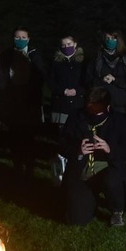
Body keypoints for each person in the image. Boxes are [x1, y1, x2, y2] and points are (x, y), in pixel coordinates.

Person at [59, 87, 126, 227]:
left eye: (98, 112)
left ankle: (117, 211)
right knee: (76, 219)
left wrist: (110, 149)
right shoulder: (76, 117)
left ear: (108, 107)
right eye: (91, 110)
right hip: (83, 172)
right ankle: (90, 198)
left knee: (112, 179)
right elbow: (62, 144)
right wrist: (78, 150)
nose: (94, 115)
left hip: (107, 169)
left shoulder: (117, 121)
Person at [0, 26, 49, 177]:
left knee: (29, 137)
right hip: (12, 102)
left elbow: (41, 76)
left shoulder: (34, 55)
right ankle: (18, 167)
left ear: (29, 39)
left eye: (23, 37)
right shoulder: (6, 55)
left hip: (29, 103)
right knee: (15, 137)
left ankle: (29, 169)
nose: (20, 40)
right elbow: (0, 76)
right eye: (17, 37)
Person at [48, 34, 86, 183]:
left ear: (75, 44)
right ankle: (62, 168)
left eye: (69, 44)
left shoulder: (82, 62)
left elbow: (87, 81)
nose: (66, 47)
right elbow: (51, 81)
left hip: (77, 105)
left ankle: (77, 167)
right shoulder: (56, 62)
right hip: (61, 105)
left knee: (77, 137)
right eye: (63, 45)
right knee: (62, 137)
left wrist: (78, 91)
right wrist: (62, 90)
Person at [84, 28, 126, 115]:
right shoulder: (96, 58)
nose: (110, 41)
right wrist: (102, 80)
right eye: (108, 38)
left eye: (113, 38)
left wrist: (115, 80)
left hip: (120, 105)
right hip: (100, 103)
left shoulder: (125, 59)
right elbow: (88, 81)